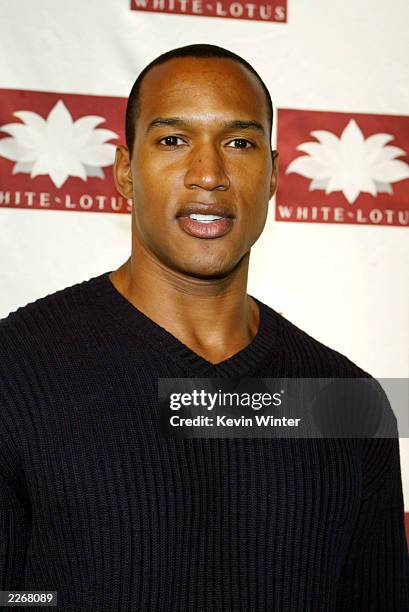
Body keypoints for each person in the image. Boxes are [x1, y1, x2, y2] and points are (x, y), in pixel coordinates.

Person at [0, 43, 408, 611]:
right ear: (124, 171)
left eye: (239, 143)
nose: (209, 174)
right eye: (172, 140)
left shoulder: (347, 402)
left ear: (271, 175)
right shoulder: (15, 371)